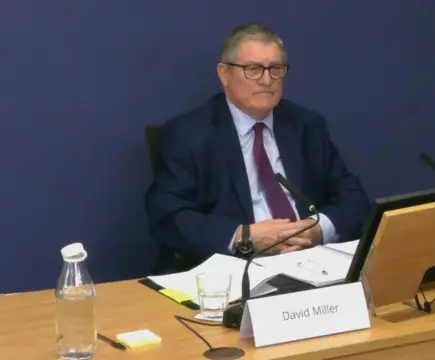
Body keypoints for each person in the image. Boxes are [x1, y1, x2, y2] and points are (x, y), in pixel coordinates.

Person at [144, 23, 370, 273]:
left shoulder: (306, 125)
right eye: (253, 69)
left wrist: (318, 230)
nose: (266, 80)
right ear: (224, 74)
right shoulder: (188, 134)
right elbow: (168, 218)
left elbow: (353, 197)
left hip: (310, 263)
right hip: (236, 270)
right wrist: (243, 237)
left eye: (275, 69)